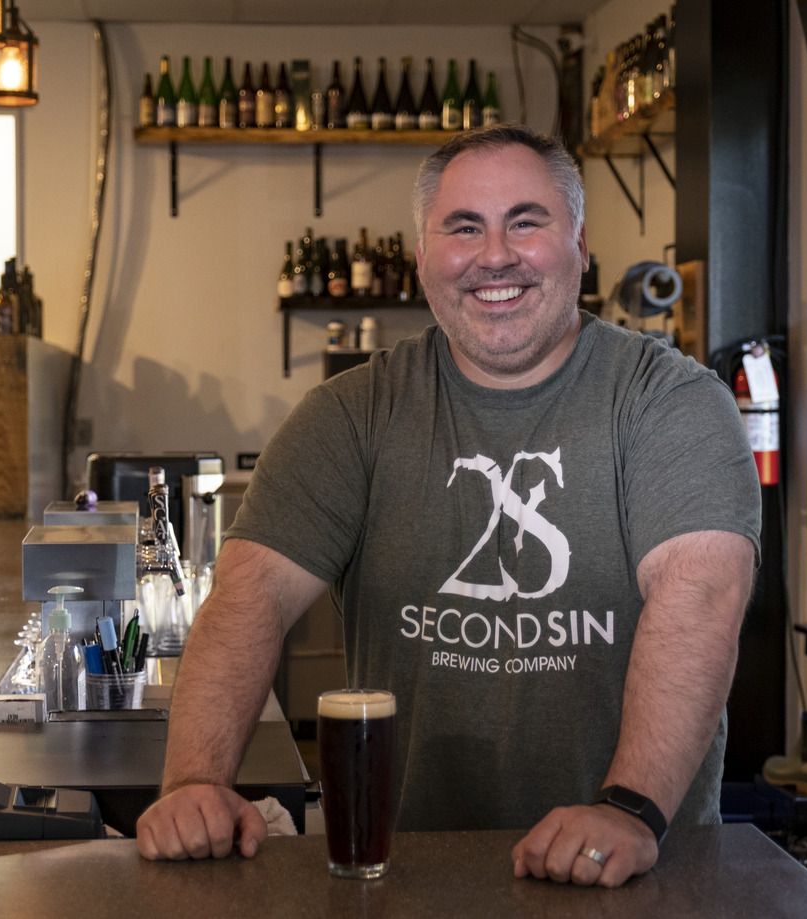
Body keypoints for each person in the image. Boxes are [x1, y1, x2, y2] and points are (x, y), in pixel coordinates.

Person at [135, 124, 760, 889]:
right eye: (463, 228)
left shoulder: (667, 400)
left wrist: (627, 809)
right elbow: (249, 595)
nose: (494, 255)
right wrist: (194, 783)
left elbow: (700, 592)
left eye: (525, 221)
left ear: (579, 243)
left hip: (635, 873)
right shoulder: (351, 414)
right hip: (404, 877)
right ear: (423, 255)